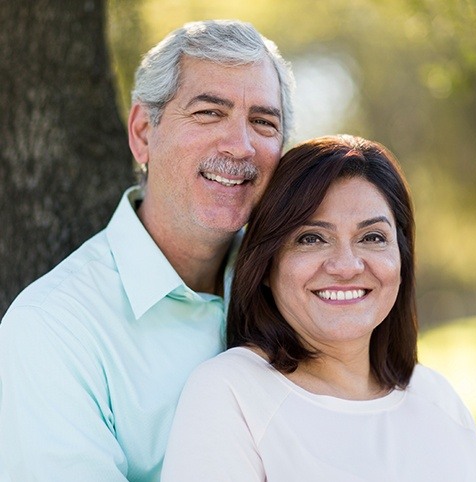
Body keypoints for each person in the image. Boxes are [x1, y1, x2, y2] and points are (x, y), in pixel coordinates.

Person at [0, 20, 295, 481]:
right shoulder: (52, 331)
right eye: (208, 113)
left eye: (263, 122)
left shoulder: (299, 288)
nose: (241, 146)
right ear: (142, 132)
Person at [161, 135, 476, 482]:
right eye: (311, 238)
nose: (346, 266)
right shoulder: (230, 393)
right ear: (266, 265)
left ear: (401, 257)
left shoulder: (436, 396)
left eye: (372, 237)